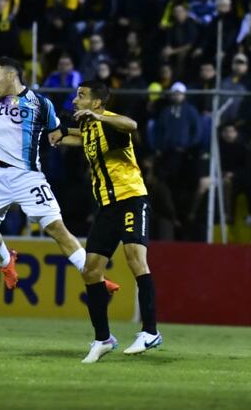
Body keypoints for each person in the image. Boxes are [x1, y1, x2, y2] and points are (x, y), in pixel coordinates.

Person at [0, 57, 118, 294]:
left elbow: (57, 134)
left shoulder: (40, 104)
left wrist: (92, 141)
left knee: (57, 227)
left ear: (10, 76)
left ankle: (94, 275)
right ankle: (7, 263)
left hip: (27, 177)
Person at [49, 80, 162, 363]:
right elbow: (80, 137)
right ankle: (103, 339)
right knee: (90, 269)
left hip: (132, 198)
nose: (75, 100)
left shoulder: (110, 122)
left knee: (135, 258)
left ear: (97, 103)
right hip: (106, 207)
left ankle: (150, 331)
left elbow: (132, 125)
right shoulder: (88, 128)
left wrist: (99, 117)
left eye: (82, 96)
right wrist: (63, 132)